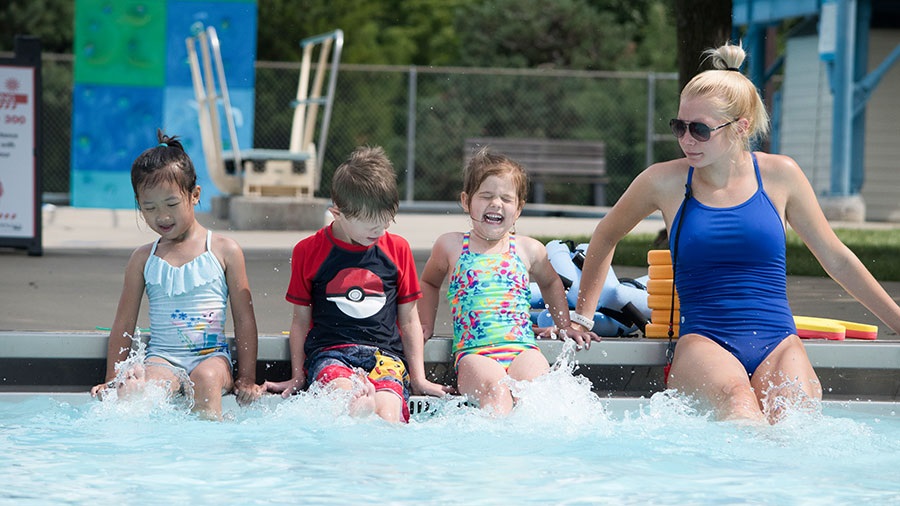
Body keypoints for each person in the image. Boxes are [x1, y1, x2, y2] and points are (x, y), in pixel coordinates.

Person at [569, 41, 900, 424]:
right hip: (704, 342)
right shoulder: (664, 181)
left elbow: (836, 259)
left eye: (700, 129)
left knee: (793, 423)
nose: (686, 139)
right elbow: (606, 235)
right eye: (679, 126)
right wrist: (583, 317)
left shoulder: (781, 176)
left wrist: (896, 320)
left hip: (778, 342)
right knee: (739, 409)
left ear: (741, 127)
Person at [263, 146, 452, 423]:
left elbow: (409, 320)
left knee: (389, 414)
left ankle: (370, 414)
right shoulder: (309, 251)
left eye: (386, 221)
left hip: (385, 356)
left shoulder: (397, 249)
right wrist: (297, 376)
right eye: (369, 223)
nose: (379, 230)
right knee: (341, 395)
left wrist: (420, 379)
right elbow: (300, 322)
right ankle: (358, 411)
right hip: (331, 354)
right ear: (336, 213)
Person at [90, 130, 264, 419]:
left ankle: (206, 453)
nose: (162, 216)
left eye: (171, 204)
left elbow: (245, 319)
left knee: (206, 380)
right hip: (162, 358)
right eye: (149, 208)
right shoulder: (143, 259)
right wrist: (113, 378)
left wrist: (246, 377)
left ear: (195, 195)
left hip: (212, 358)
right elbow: (124, 322)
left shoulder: (224, 250)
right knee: (141, 390)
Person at [419, 148, 598, 415]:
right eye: (486, 196)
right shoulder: (452, 246)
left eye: (506, 198)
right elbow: (429, 282)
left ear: (519, 208)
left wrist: (564, 325)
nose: (496, 203)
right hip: (475, 354)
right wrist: (425, 324)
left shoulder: (528, 249)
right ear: (466, 201)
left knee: (541, 394)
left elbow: (550, 283)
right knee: (496, 393)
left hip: (522, 349)